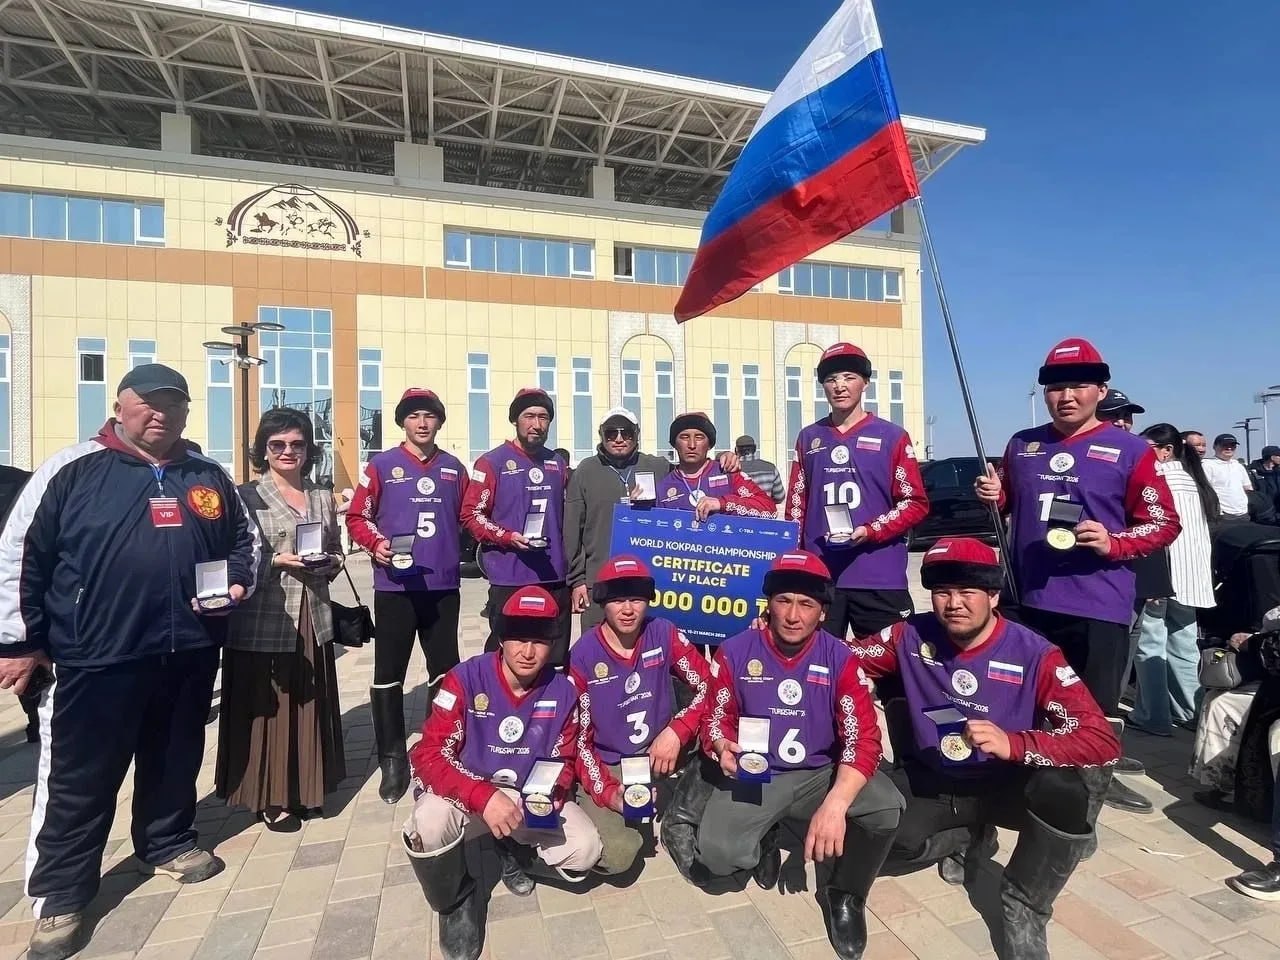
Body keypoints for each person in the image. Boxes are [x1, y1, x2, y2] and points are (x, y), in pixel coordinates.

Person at [0, 363, 259, 960]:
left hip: (189, 649)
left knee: (174, 755)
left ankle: (166, 842)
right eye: (148, 401)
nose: (160, 413)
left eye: (174, 402)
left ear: (188, 412)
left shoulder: (207, 474)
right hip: (95, 656)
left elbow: (245, 543)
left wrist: (239, 582)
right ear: (120, 406)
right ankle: (62, 893)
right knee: (79, 777)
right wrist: (18, 642)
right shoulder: (72, 469)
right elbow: (19, 553)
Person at [851, 538, 1119, 959]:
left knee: (1067, 790)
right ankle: (965, 838)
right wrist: (775, 639)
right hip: (937, 779)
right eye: (942, 592)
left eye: (967, 592)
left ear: (993, 595)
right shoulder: (909, 634)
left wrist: (1015, 743)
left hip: (1008, 783)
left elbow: (1100, 738)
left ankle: (1025, 904)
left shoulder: (1035, 653)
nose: (954, 604)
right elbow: (840, 658)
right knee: (875, 834)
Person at [975, 338, 1180, 816]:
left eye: (1078, 386)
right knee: (1023, 701)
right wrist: (993, 495)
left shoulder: (1132, 450)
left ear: (1100, 391)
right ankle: (1016, 792)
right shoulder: (1022, 444)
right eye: (1055, 387)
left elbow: (1164, 522)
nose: (1066, 396)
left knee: (1091, 710)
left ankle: (1087, 794)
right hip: (1027, 599)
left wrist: (1115, 542)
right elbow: (1007, 503)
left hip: (1098, 603)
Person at [687, 551, 904, 960]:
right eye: (783, 600)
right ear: (768, 603)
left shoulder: (840, 657)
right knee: (717, 857)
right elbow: (715, 718)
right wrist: (720, 745)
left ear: (823, 612)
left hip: (820, 772)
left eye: (806, 604)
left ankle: (846, 894)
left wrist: (836, 804)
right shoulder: (735, 651)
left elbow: (864, 739)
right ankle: (766, 836)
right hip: (757, 772)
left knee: (886, 807)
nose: (792, 615)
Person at [402, 587, 602, 960]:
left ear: (552, 642)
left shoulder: (563, 691)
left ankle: (514, 849)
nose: (528, 651)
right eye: (519, 638)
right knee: (427, 823)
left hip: (523, 798)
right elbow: (428, 755)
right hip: (468, 791)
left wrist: (546, 796)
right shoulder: (465, 678)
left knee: (585, 850)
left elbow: (565, 760)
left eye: (539, 640)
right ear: (501, 636)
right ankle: (456, 901)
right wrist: (482, 795)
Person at [217, 408, 346, 831]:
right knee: (268, 708)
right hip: (265, 616)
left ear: (308, 449)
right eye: (277, 444)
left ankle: (306, 789)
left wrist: (331, 562)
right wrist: (276, 561)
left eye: (297, 444)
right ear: (263, 449)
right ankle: (270, 795)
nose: (288, 451)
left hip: (313, 613)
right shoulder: (245, 496)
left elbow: (335, 548)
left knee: (308, 704)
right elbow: (234, 558)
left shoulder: (321, 496)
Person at [347, 388, 470, 803]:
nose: (422, 423)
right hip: (395, 588)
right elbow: (356, 516)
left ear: (439, 422)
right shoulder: (381, 465)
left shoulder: (454, 468)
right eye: (414, 416)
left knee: (445, 672)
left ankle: (440, 750)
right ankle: (392, 759)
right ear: (402, 422)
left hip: (442, 587)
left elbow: (470, 516)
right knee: (388, 673)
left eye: (429, 416)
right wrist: (375, 543)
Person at [569, 556, 712, 874]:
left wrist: (677, 729)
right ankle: (528, 854)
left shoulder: (663, 632)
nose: (628, 609)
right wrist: (609, 794)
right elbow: (578, 742)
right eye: (617, 600)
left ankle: (682, 817)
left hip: (658, 749)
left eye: (636, 599)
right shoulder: (582, 655)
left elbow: (710, 688)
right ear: (602, 602)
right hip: (610, 763)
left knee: (720, 730)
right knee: (621, 855)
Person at [786, 342, 929, 642]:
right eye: (831, 379)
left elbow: (915, 502)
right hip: (821, 575)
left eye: (849, 377)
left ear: (865, 382)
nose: (839, 386)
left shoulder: (892, 436)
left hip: (879, 576)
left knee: (892, 665)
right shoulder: (808, 438)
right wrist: (795, 561)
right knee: (818, 663)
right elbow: (796, 507)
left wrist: (871, 530)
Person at [463, 388, 572, 666]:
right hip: (509, 577)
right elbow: (471, 514)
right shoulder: (491, 462)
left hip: (553, 576)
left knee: (554, 657)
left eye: (544, 417)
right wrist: (506, 537)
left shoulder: (557, 463)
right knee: (506, 657)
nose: (537, 424)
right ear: (515, 420)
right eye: (529, 416)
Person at [1128, 424, 1217, 736]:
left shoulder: (1158, 478)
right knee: (1184, 647)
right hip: (1193, 579)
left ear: (1166, 451)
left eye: (1146, 447)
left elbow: (1154, 530)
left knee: (1150, 646)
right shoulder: (1194, 480)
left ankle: (1153, 716)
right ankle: (1190, 711)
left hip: (1164, 575)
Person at [564, 408, 673, 630]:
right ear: (601, 435)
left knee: (649, 641)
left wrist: (728, 463)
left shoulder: (658, 467)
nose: (619, 439)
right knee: (597, 643)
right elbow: (572, 530)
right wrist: (577, 581)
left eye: (627, 432)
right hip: (600, 579)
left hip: (647, 578)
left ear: (637, 434)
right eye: (611, 433)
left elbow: (694, 474)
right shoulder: (585, 471)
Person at [655, 412, 775, 519]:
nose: (692, 445)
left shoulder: (727, 473)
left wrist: (722, 503)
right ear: (674, 444)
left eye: (699, 437)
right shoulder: (663, 487)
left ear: (709, 444)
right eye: (684, 437)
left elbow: (770, 509)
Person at [0, 465, 39, 743]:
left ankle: (38, 719)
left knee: (26, 671)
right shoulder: (22, 480)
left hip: (17, 592)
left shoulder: (23, 483)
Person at [1202, 433, 1253, 522]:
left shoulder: (1238, 466)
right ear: (1214, 447)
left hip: (1243, 513)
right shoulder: (1207, 465)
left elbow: (1248, 488)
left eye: (1232, 445)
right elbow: (1205, 491)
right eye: (1225, 445)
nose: (1229, 448)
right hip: (1222, 515)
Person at [735, 434, 784, 508]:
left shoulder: (731, 470)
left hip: (740, 513)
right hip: (765, 512)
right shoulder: (771, 468)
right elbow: (779, 497)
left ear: (736, 450)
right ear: (755, 448)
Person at [1251, 446, 1280, 513]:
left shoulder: (1278, 472)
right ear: (1272, 457)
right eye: (1279, 456)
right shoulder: (1254, 473)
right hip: (1263, 513)